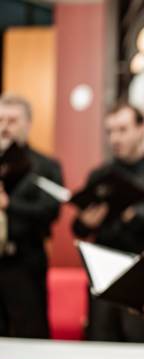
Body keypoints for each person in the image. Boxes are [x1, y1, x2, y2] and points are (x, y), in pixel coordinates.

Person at [72, 102, 144, 342]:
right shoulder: (100, 175)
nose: (115, 138)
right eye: (110, 131)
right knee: (99, 345)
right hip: (104, 275)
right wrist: (86, 222)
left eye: (122, 130)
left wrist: (137, 214)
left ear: (141, 129)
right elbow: (78, 228)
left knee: (140, 349)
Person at [0, 94, 63, 338]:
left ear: (27, 123)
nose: (5, 126)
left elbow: (50, 212)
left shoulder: (45, 166)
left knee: (30, 333)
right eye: (1, 120)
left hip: (25, 261)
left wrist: (9, 204)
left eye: (12, 120)